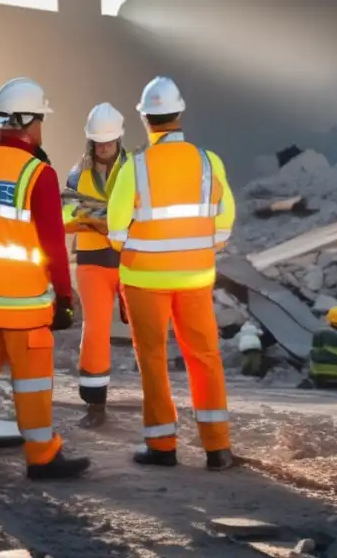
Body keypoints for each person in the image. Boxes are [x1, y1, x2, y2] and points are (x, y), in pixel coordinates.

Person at [0, 77, 90, 481]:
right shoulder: (38, 175)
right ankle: (42, 456)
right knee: (31, 385)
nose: (42, 127)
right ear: (28, 122)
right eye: (40, 120)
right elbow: (52, 246)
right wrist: (64, 297)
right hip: (24, 306)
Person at [107, 76, 237, 471]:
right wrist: (196, 250)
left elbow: (115, 232)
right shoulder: (208, 161)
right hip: (195, 279)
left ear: (145, 119)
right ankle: (218, 448)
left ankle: (162, 446)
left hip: (145, 280)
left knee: (153, 359)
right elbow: (225, 224)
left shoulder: (135, 166)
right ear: (179, 114)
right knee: (205, 357)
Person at [63, 102, 129, 428]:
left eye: (109, 140)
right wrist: (92, 219)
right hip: (91, 263)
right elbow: (64, 215)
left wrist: (105, 219)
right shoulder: (77, 175)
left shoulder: (134, 171)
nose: (103, 146)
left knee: (146, 330)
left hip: (131, 261)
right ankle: (95, 406)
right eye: (98, 141)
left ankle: (160, 405)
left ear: (119, 138)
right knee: (96, 331)